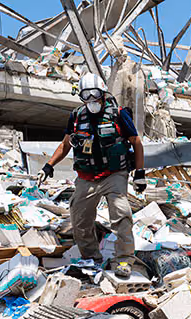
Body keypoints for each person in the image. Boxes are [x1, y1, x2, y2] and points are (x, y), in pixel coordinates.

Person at [37, 73, 146, 278]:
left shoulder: (119, 114)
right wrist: (48, 166)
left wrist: (140, 173)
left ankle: (123, 259)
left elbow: (136, 142)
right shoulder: (77, 116)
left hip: (114, 174)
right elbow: (65, 144)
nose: (91, 102)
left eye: (95, 97)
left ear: (103, 93)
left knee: (121, 214)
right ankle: (92, 258)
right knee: (80, 218)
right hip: (87, 177)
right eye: (86, 98)